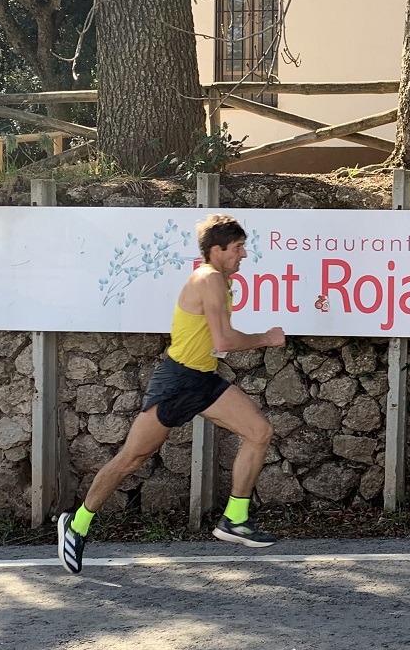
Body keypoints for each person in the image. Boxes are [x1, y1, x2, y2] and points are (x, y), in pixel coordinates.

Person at [57, 214, 286, 574]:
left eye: (244, 246)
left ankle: (235, 519)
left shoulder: (221, 282)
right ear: (217, 250)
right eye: (238, 248)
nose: (244, 254)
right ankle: (78, 522)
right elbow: (224, 340)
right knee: (132, 458)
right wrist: (267, 338)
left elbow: (216, 341)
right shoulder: (209, 279)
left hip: (204, 379)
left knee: (259, 432)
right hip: (178, 381)